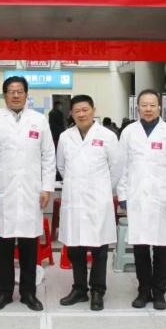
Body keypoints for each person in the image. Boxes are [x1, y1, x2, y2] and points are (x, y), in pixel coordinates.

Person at [0, 76, 56, 312]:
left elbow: (48, 156)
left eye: (20, 91)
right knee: (3, 245)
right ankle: (3, 292)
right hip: (2, 192)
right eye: (11, 91)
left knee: (29, 246)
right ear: (4, 95)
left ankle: (28, 293)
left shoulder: (39, 120)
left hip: (31, 192)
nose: (15, 95)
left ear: (26, 95)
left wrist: (46, 187)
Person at [117, 90, 166, 310]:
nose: (148, 109)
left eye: (152, 105)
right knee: (140, 249)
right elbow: (122, 167)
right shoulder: (129, 132)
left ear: (159, 107)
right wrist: (123, 197)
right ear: (137, 108)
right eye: (144, 105)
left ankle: (159, 293)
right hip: (136, 198)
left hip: (162, 200)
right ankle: (143, 291)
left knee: (160, 250)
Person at [57, 95, 124, 312]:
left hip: (98, 201)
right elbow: (61, 167)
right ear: (71, 113)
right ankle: (79, 289)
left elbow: (116, 168)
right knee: (75, 248)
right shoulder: (65, 137)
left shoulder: (107, 136)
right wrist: (77, 184)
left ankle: (97, 291)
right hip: (74, 200)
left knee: (99, 249)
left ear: (93, 110)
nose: (81, 114)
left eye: (85, 110)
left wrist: (100, 188)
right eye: (77, 111)